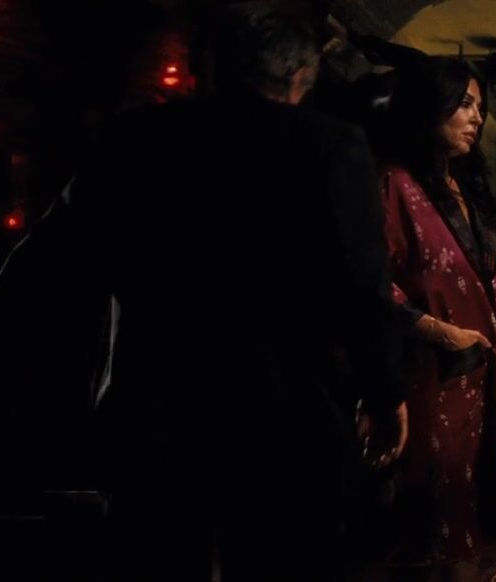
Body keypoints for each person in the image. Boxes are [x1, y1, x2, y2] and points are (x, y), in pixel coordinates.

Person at [69, 3, 408, 579]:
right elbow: (360, 282)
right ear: (301, 74)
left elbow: (93, 254)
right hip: (285, 406)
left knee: (163, 556)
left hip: (161, 394)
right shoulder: (329, 145)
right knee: (280, 556)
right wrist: (385, 391)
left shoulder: (134, 138)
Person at [378, 56, 496, 581]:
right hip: (431, 384)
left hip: (486, 385)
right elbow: (371, 283)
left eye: (481, 107)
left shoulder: (466, 192)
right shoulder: (395, 184)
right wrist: (434, 329)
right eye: (465, 104)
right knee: (437, 543)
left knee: (480, 535)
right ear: (431, 107)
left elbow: (489, 283)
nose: (478, 117)